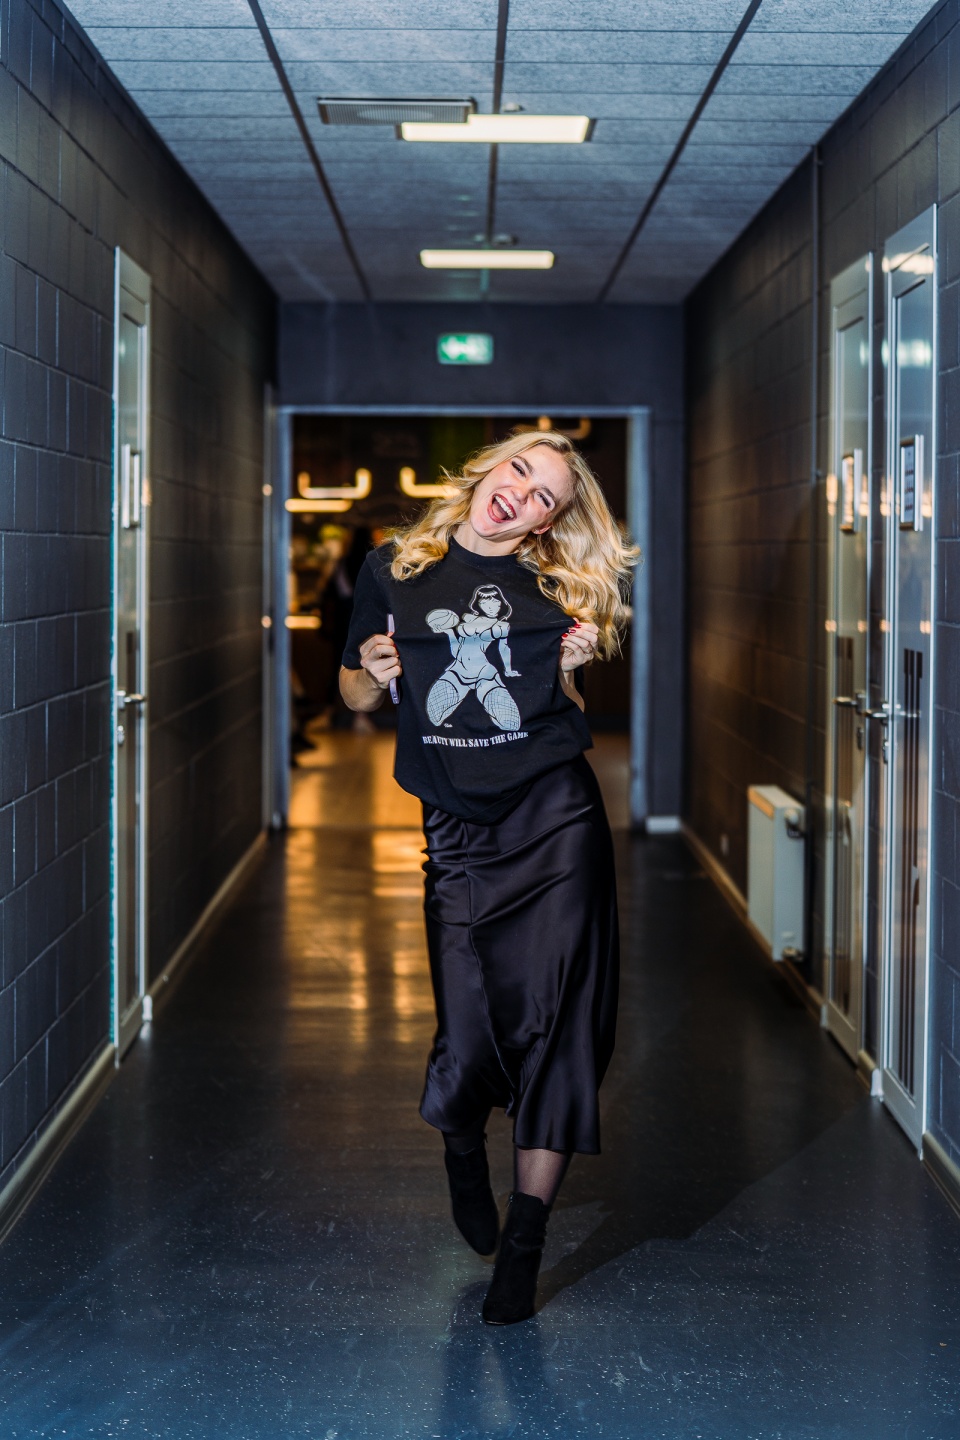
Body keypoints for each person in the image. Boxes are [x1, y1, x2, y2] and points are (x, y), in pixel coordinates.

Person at [340, 430, 638, 1325]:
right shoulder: (395, 568)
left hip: (556, 824)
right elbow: (353, 693)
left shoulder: (555, 588)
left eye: (546, 496)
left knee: (559, 1026)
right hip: (460, 833)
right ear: (489, 470)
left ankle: (525, 1242)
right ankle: (462, 1142)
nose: (524, 494)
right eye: (521, 471)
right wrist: (375, 671)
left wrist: (573, 668)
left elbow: (566, 709)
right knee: (468, 1036)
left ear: (547, 522)